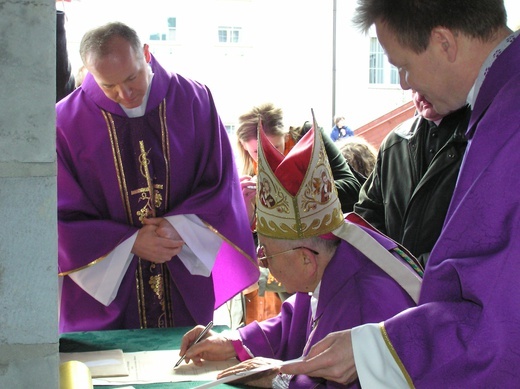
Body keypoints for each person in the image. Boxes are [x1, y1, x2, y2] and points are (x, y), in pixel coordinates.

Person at [282, 1, 520, 387]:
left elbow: (499, 313)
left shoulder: (510, 121)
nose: (404, 84)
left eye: (403, 65)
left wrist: (375, 349)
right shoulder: (499, 106)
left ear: (444, 42)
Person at [177, 116, 421, 389]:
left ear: (306, 258)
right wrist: (233, 343)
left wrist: (279, 378)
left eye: (266, 252)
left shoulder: (364, 300)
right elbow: (292, 323)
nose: (262, 260)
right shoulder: (332, 268)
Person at [56, 22, 259, 333]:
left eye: (131, 78)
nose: (124, 95)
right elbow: (58, 215)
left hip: (180, 268)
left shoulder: (195, 100)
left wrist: (181, 227)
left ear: (146, 54)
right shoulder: (65, 122)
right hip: (106, 299)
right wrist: (130, 242)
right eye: (109, 85)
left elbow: (220, 182)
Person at [235, 103, 361, 324]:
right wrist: (248, 214)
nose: (266, 157)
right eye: (257, 152)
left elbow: (352, 186)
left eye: (275, 146)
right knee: (294, 321)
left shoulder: (309, 137)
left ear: (285, 134)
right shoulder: (247, 175)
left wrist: (294, 190)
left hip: (325, 251)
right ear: (245, 148)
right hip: (284, 267)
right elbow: (257, 239)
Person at [354, 90, 470, 266]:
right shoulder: (394, 142)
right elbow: (368, 213)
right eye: (414, 89)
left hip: (449, 285)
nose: (419, 96)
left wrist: (417, 269)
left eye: (425, 84)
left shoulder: (480, 141)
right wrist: (389, 263)